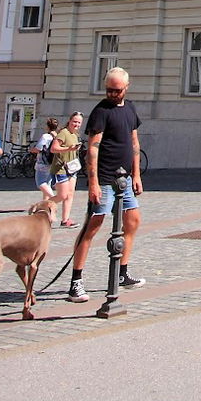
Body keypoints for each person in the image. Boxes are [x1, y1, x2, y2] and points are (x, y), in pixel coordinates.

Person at [68, 68, 144, 302]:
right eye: (109, 89)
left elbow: (133, 142)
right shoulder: (101, 111)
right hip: (104, 179)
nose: (112, 94)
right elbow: (92, 147)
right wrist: (93, 183)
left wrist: (137, 174)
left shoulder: (130, 108)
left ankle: (122, 272)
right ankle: (76, 282)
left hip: (125, 180)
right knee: (93, 225)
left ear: (126, 88)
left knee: (132, 221)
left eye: (117, 90)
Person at [50, 112, 84, 228]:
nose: (76, 124)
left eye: (79, 122)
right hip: (61, 168)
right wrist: (69, 149)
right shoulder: (64, 133)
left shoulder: (75, 134)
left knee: (70, 195)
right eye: (74, 121)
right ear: (69, 121)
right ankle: (42, 206)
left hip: (72, 168)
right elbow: (53, 149)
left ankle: (65, 220)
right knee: (62, 195)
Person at [33, 117, 61, 222]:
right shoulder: (57, 136)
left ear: (47, 126)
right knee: (47, 183)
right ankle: (44, 206)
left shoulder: (46, 136)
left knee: (40, 183)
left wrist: (32, 149)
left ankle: (54, 198)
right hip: (52, 163)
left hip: (42, 163)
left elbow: (39, 148)